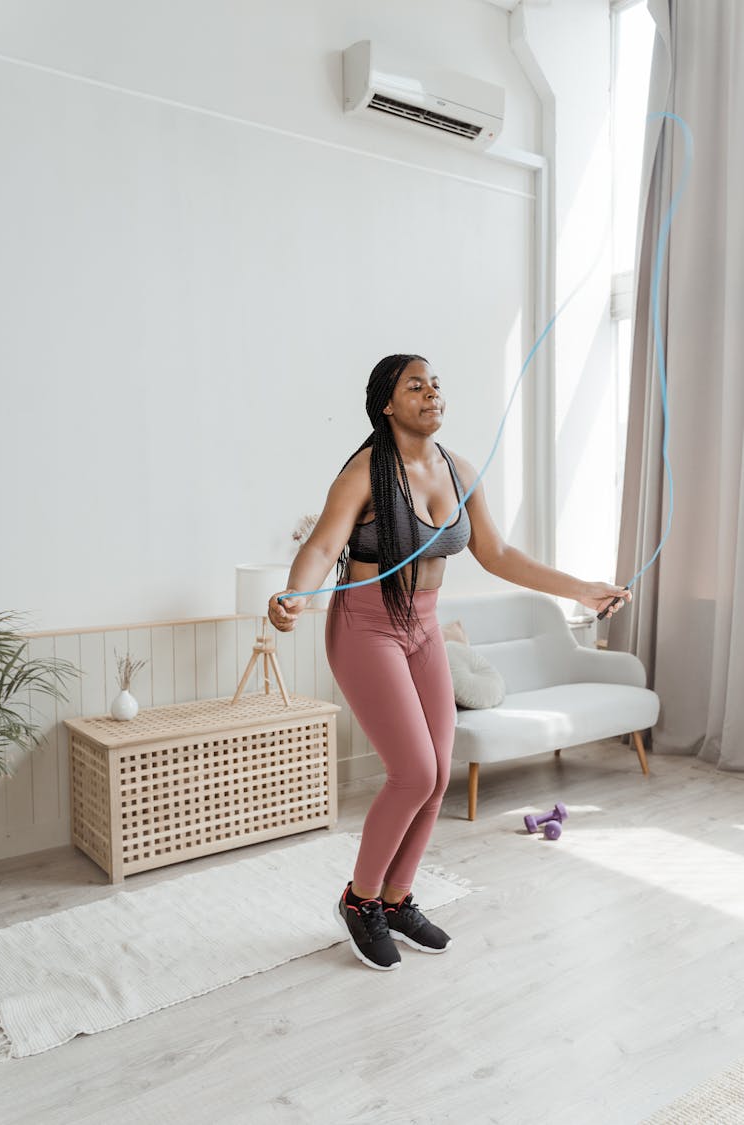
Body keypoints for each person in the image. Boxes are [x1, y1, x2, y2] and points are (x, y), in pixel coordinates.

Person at [268, 354, 629, 972]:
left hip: (425, 626)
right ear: (388, 403)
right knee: (412, 771)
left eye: (436, 383)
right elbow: (324, 544)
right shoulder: (365, 473)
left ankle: (398, 896)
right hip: (367, 628)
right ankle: (359, 902)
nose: (432, 392)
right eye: (416, 385)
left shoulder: (459, 470)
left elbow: (499, 552)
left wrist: (581, 589)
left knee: (438, 773)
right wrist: (294, 593)